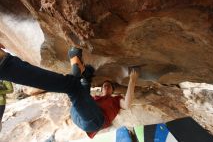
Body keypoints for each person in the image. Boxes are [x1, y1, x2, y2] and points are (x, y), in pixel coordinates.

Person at [0, 43, 138, 138]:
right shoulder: (96, 99)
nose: (106, 86)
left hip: (93, 120)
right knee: (81, 89)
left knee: (79, 90)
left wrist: (132, 80)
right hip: (84, 116)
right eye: (104, 85)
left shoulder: (115, 100)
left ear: (113, 91)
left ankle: (82, 71)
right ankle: (85, 71)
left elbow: (127, 104)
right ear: (101, 90)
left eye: (109, 86)